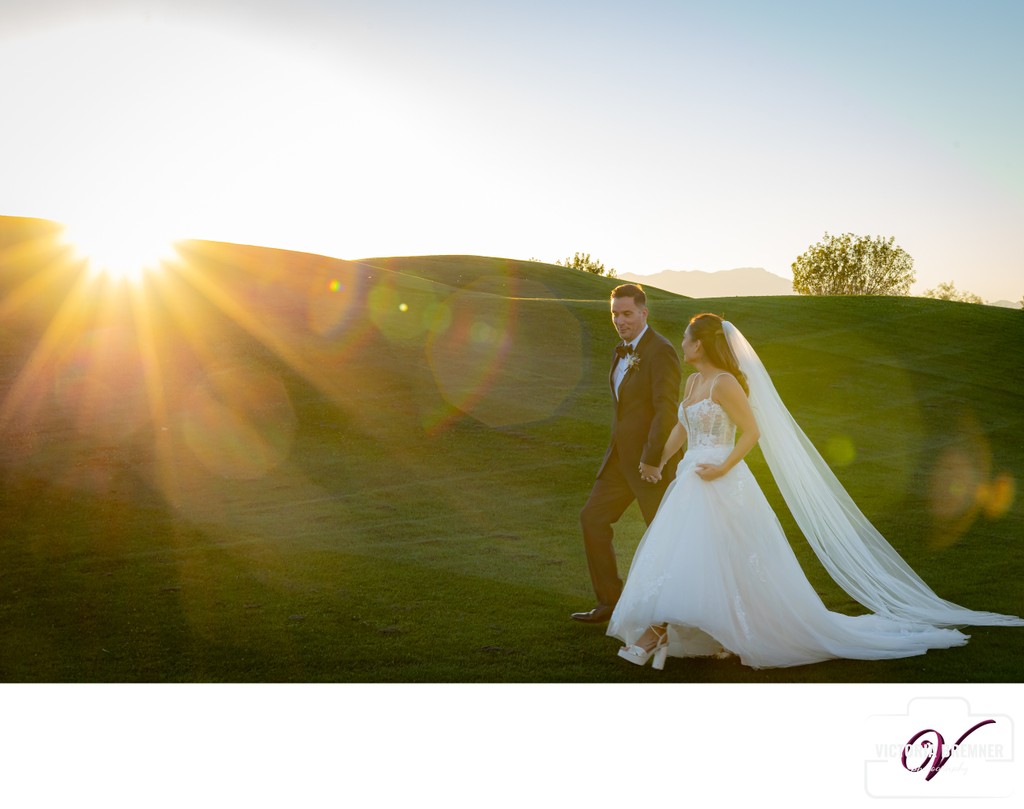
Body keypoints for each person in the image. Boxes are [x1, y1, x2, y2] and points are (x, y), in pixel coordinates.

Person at [608, 313, 1023, 669]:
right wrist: (660, 460)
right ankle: (712, 634)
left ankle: (657, 633)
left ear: (701, 344)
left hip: (720, 477)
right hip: (691, 477)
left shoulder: (724, 385)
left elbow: (751, 432)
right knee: (697, 555)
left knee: (716, 554)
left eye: (686, 338)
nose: (682, 343)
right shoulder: (694, 382)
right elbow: (683, 426)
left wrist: (724, 467)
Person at [571, 284, 682, 624]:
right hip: (619, 461)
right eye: (615, 314)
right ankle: (610, 602)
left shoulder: (660, 351)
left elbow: (666, 410)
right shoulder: (621, 351)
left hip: (652, 464)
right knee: (592, 519)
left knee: (666, 536)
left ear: (644, 313)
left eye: (627, 313)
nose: (620, 320)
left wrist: (652, 458)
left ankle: (678, 611)